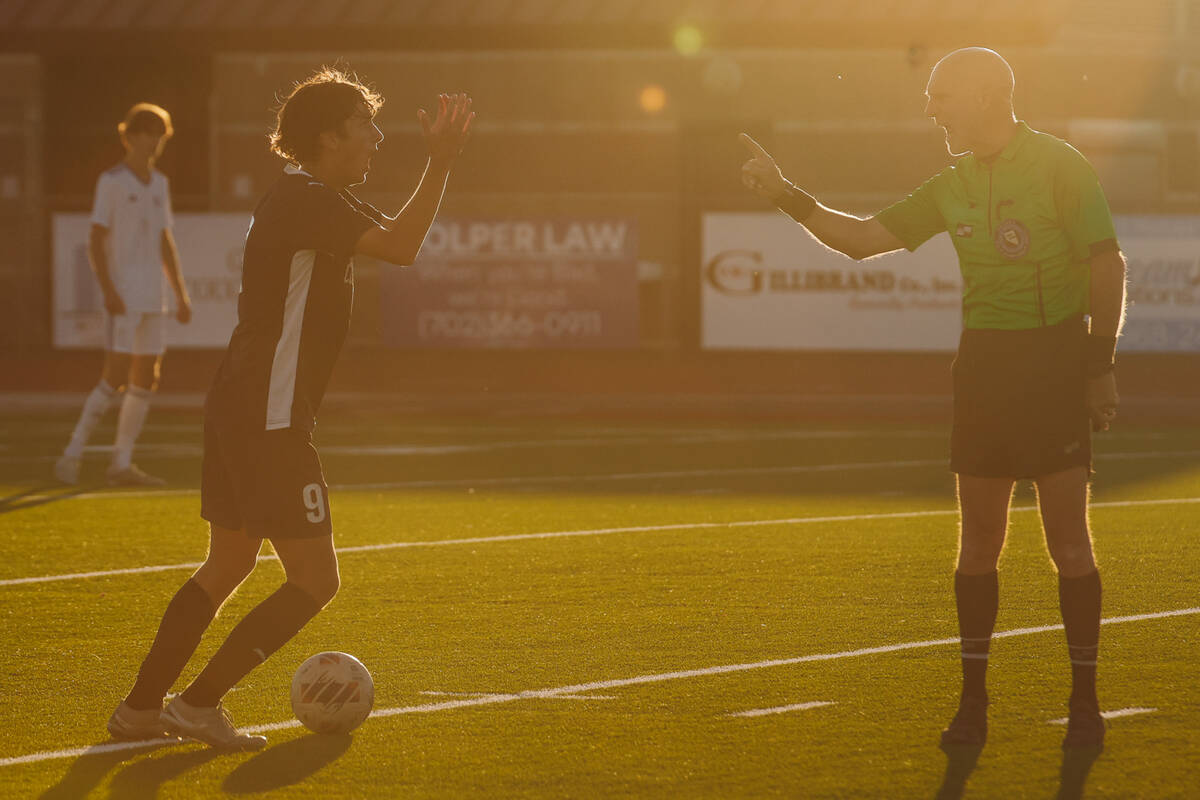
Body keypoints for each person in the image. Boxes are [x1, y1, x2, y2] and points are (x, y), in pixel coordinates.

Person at [740, 47, 1124, 751]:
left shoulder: (1060, 165)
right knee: (978, 544)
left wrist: (1097, 365)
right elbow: (860, 240)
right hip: (983, 370)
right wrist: (783, 194)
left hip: (1052, 365)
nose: (930, 108)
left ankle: (1085, 701)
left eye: (940, 94)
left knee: (1069, 543)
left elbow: (1107, 261)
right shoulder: (951, 185)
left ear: (982, 96)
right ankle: (973, 701)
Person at [106, 67, 475, 749]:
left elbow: (396, 235)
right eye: (364, 125)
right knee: (315, 579)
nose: (376, 137)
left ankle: (139, 711)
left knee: (227, 565)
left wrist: (437, 164)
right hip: (267, 415)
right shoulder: (309, 198)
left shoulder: (312, 195)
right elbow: (403, 247)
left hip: (242, 404)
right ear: (328, 137)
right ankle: (196, 704)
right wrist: (443, 159)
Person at [55, 103, 193, 487]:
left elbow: (166, 240)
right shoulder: (112, 181)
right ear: (129, 136)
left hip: (153, 296)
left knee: (146, 377)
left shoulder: (160, 183)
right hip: (125, 295)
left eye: (160, 134)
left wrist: (180, 294)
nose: (155, 141)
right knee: (114, 375)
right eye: (148, 133)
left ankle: (121, 462)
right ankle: (72, 452)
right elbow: (96, 239)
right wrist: (109, 290)